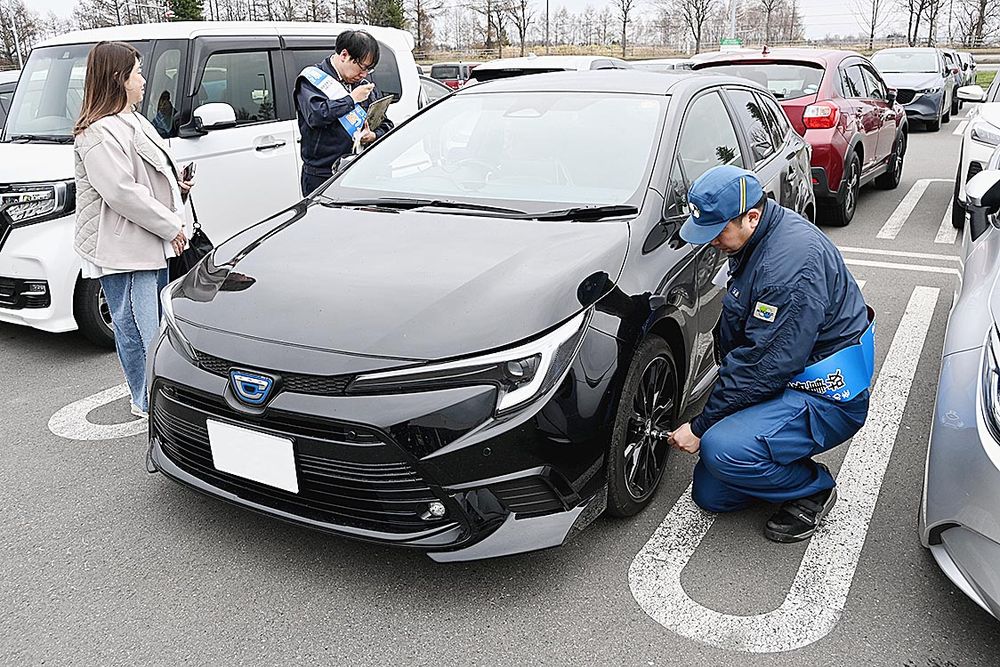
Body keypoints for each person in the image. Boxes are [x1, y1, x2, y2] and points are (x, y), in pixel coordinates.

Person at [667, 165, 874, 543]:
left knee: (722, 450)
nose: (710, 242)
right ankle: (772, 452)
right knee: (711, 494)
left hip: (824, 392)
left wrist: (700, 427)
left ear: (752, 216)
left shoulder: (788, 268)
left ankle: (813, 488)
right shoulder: (758, 238)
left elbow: (763, 366)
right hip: (785, 375)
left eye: (717, 232)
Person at [73, 41, 195, 418]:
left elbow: (144, 175)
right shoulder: (97, 132)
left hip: (144, 239)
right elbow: (121, 191)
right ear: (118, 78)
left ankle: (153, 397)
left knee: (150, 326)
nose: (143, 79)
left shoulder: (134, 121)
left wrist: (177, 186)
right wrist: (171, 225)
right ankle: (146, 400)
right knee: (137, 328)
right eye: (137, 72)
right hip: (124, 245)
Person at [294, 30, 395, 196]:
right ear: (344, 55)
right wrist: (351, 100)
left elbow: (386, 124)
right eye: (362, 67)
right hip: (323, 174)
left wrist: (374, 135)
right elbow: (316, 116)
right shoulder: (312, 80)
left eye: (369, 70)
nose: (364, 74)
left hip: (360, 169)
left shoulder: (363, 84)